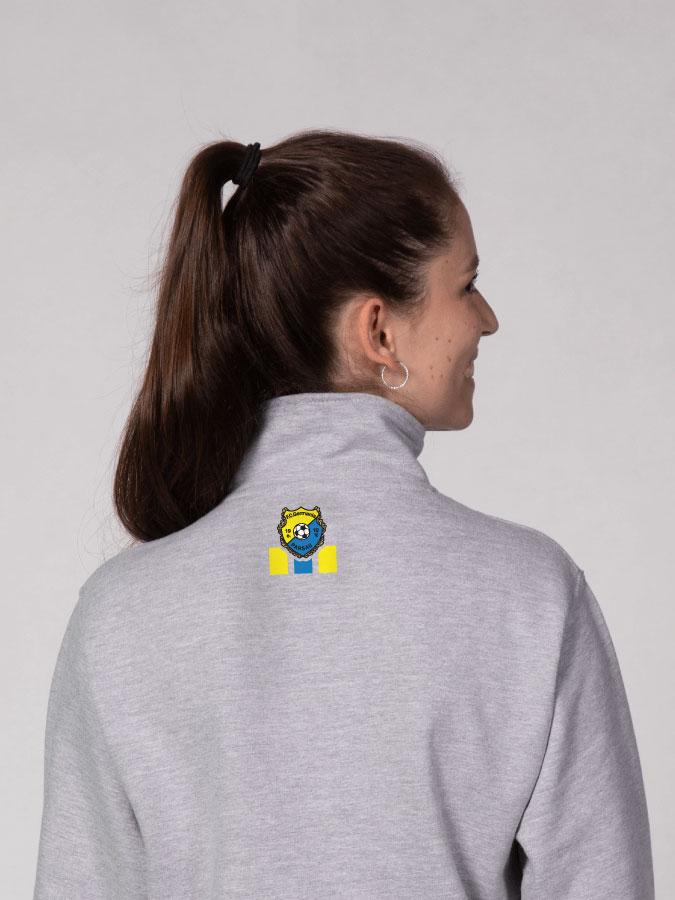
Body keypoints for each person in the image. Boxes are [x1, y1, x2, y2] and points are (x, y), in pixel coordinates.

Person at [33, 129, 655, 899]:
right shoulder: (528, 593)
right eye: (466, 286)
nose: (486, 319)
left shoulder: (120, 613)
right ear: (378, 331)